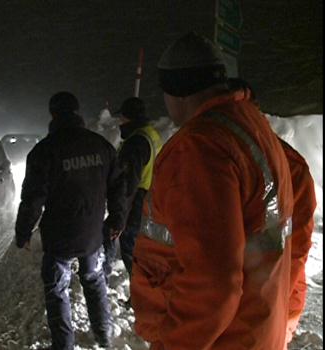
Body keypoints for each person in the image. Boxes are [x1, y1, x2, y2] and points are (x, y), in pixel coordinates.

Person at [130, 31, 294, 349]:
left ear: (177, 91)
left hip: (221, 340)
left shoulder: (198, 148)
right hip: (256, 329)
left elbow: (212, 283)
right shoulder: (251, 126)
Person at [15, 91, 122, 349]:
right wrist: (117, 219)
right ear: (77, 112)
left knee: (56, 290)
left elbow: (33, 199)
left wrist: (24, 232)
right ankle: (104, 335)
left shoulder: (44, 151)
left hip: (59, 237)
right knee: (94, 280)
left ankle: (63, 345)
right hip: (92, 234)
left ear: (53, 115)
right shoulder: (101, 146)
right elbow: (120, 185)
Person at [228, 77, 318, 344]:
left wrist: (272, 308)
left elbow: (296, 248)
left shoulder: (286, 164)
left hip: (267, 305)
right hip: (261, 304)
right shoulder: (222, 157)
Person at [102, 97, 163, 294]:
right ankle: (143, 292)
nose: (120, 122)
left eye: (122, 118)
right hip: (150, 198)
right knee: (138, 250)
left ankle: (140, 295)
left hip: (136, 201)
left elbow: (127, 183)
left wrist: (119, 217)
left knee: (130, 249)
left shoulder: (136, 142)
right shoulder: (151, 134)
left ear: (129, 119)